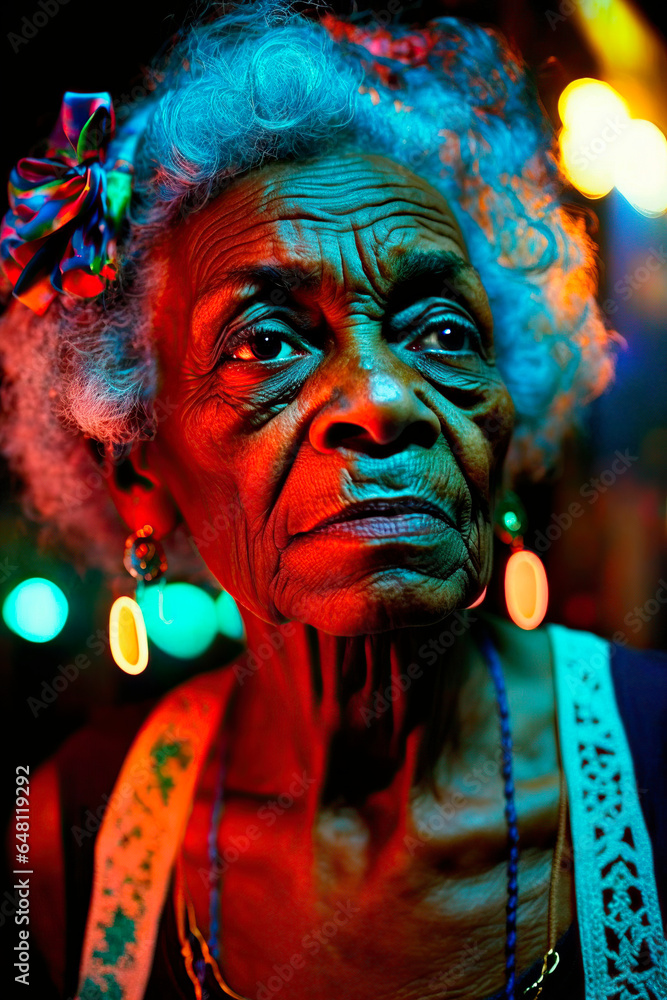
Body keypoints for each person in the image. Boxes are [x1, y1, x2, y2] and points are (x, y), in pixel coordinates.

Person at [1, 3, 665, 999]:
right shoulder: (65, 833)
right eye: (265, 342)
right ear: (139, 472)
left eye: (442, 332)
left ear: (505, 423)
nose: (384, 399)